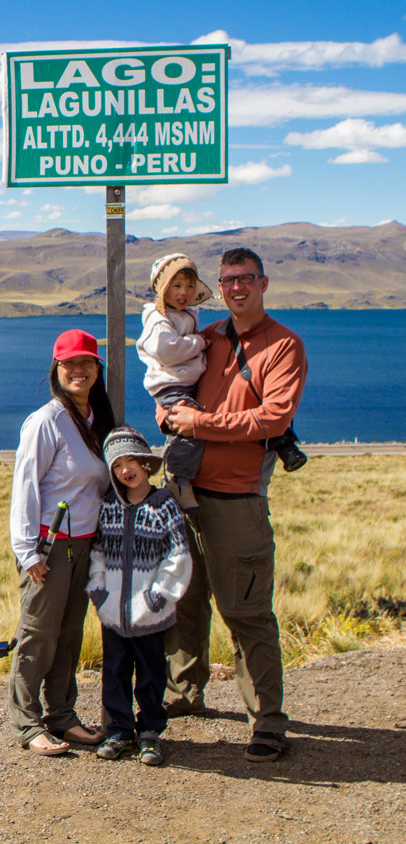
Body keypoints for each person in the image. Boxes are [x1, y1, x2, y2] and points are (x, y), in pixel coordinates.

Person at [163, 247, 308, 762]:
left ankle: (267, 720)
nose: (237, 288)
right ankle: (183, 691)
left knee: (245, 613)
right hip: (184, 494)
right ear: (219, 288)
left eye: (246, 279)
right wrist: (170, 416)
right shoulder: (209, 337)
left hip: (237, 499)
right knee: (182, 597)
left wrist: (199, 424)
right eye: (228, 281)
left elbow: (271, 420)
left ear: (263, 283)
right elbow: (173, 379)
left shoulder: (283, 346)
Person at [8, 328, 116, 755]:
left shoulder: (97, 419)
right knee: (39, 633)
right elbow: (26, 488)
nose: (78, 370)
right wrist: (28, 552)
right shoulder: (45, 421)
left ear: (96, 369)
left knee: (71, 634)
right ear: (57, 368)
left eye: (86, 363)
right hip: (49, 549)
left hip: (86, 547)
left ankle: (63, 715)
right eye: (70, 363)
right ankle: (27, 722)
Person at [87, 426, 192, 766]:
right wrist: (100, 593)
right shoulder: (109, 507)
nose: (125, 470)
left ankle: (150, 732)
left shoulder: (164, 505)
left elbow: (178, 557)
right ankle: (119, 731)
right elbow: (98, 552)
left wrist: (157, 598)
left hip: (151, 614)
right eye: (117, 465)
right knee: (115, 671)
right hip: (114, 613)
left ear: (146, 463)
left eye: (132, 461)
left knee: (151, 673)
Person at [135, 253, 215, 512]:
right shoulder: (159, 318)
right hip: (171, 387)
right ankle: (177, 479)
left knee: (193, 425)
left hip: (185, 384)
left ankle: (181, 478)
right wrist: (200, 343)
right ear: (162, 289)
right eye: (176, 286)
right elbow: (166, 350)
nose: (184, 292)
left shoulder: (181, 314)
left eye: (190, 286)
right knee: (190, 425)